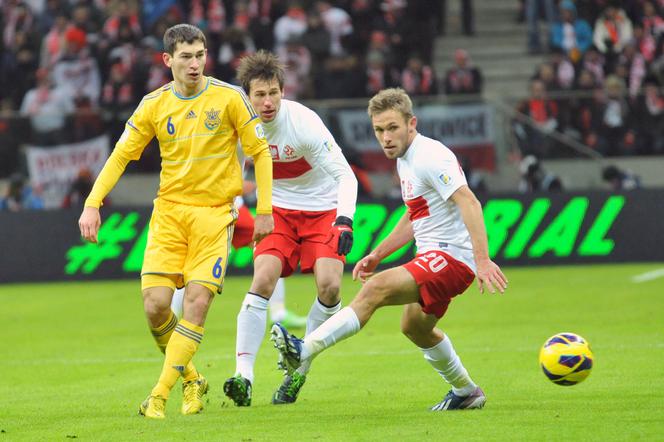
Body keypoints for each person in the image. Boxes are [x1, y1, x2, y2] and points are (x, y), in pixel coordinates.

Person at [77, 24, 273, 419]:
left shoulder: (230, 97)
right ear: (167, 60)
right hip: (169, 213)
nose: (195, 63)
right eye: (186, 56)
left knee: (197, 303)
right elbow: (120, 156)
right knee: (155, 307)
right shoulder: (154, 104)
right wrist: (92, 203)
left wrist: (265, 209)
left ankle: (159, 394)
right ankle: (192, 379)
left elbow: (260, 152)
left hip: (215, 215)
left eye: (200, 54)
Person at [271, 87, 507, 411]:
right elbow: (415, 215)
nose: (386, 137)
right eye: (379, 130)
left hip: (451, 259)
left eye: (392, 127)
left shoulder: (430, 156)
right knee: (415, 328)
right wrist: (378, 254)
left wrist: (482, 260)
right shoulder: (406, 160)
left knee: (376, 290)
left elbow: (469, 201)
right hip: (433, 257)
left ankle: (304, 349)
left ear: (412, 123)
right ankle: (466, 391)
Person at [223, 50, 358, 407]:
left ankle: (298, 373)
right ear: (246, 96)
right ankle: (244, 377)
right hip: (277, 211)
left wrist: (344, 219)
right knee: (263, 279)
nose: (268, 103)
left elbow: (346, 175)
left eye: (273, 93)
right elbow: (229, 176)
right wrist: (234, 209)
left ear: (283, 91)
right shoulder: (236, 125)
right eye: (260, 95)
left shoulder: (304, 123)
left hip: (323, 209)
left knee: (330, 288)